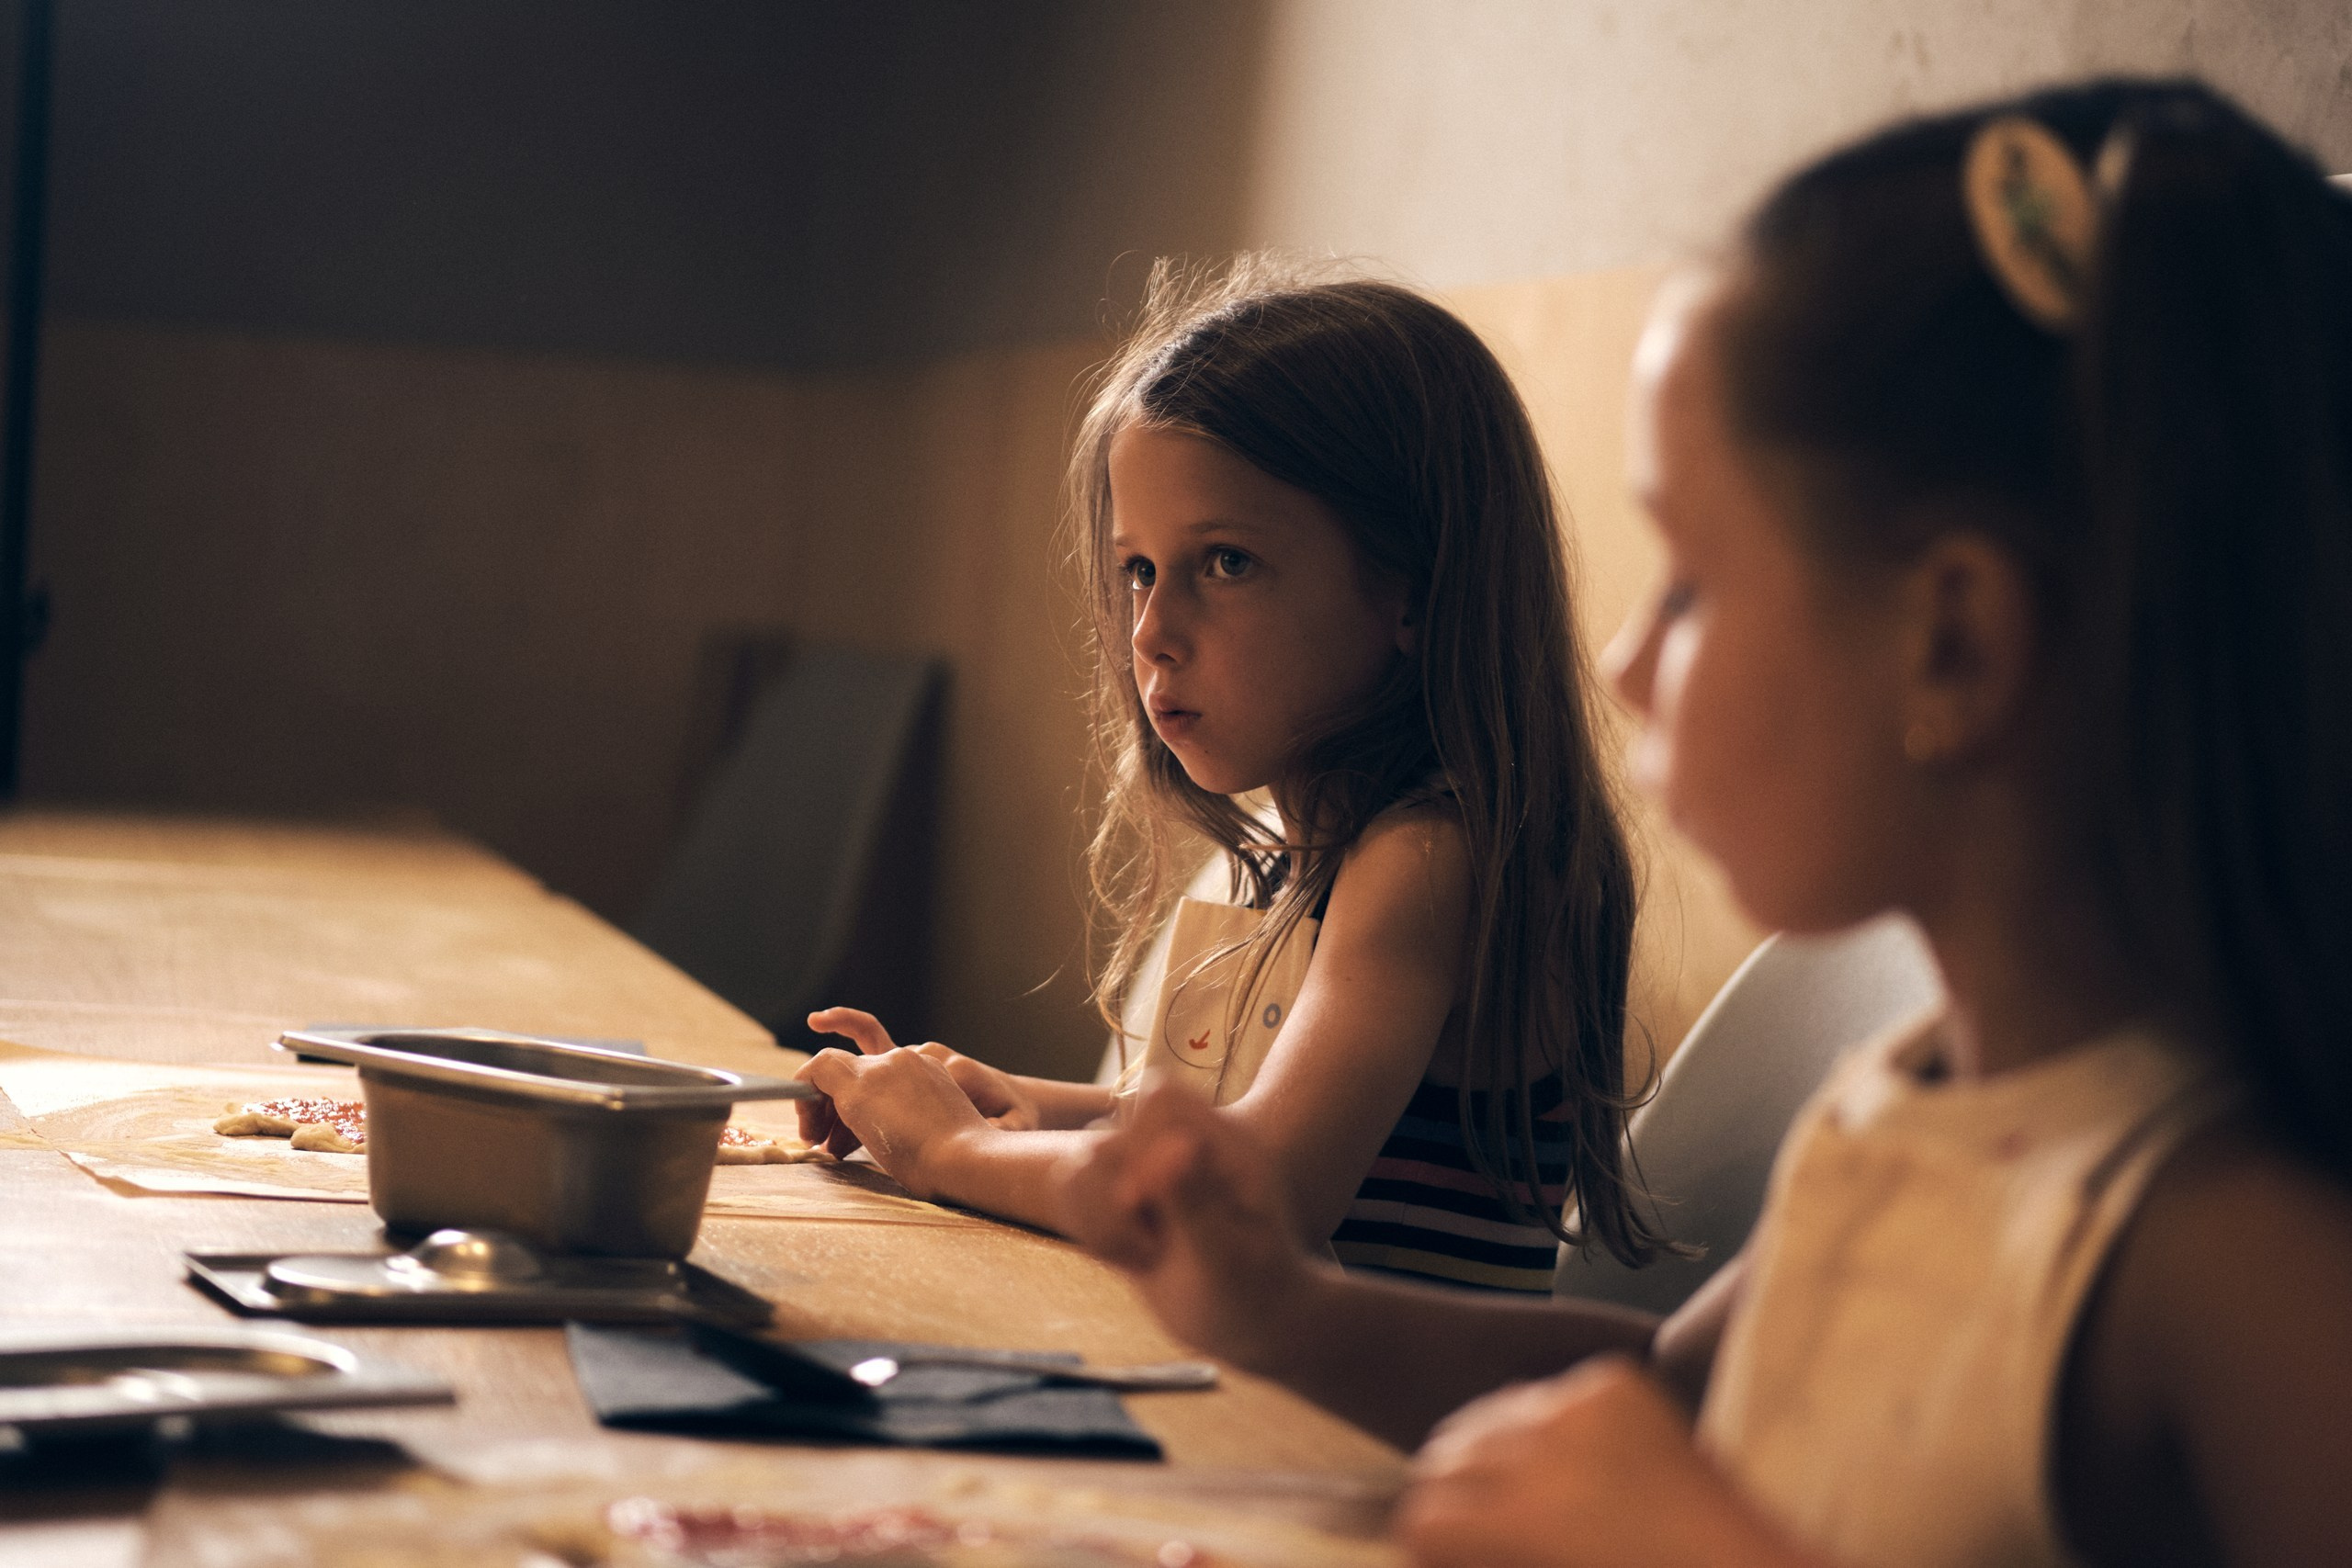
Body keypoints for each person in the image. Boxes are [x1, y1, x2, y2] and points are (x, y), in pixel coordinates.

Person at [1060, 80, 2352, 1566]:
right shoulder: (1902, 1107)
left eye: (1688, 583)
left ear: (1952, 644)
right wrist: (1292, 1313)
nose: (1622, 659)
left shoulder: (2236, 1257)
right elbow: (1661, 1394)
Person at [789, 261, 1661, 1293]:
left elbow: (1264, 1193)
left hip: (1364, 1443)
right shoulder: (1316, 854)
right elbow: (1231, 1124)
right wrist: (1012, 1103)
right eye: (1138, 570)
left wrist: (952, 1155)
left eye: (1227, 564)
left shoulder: (1428, 860)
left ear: (1412, 592)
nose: (1152, 633)